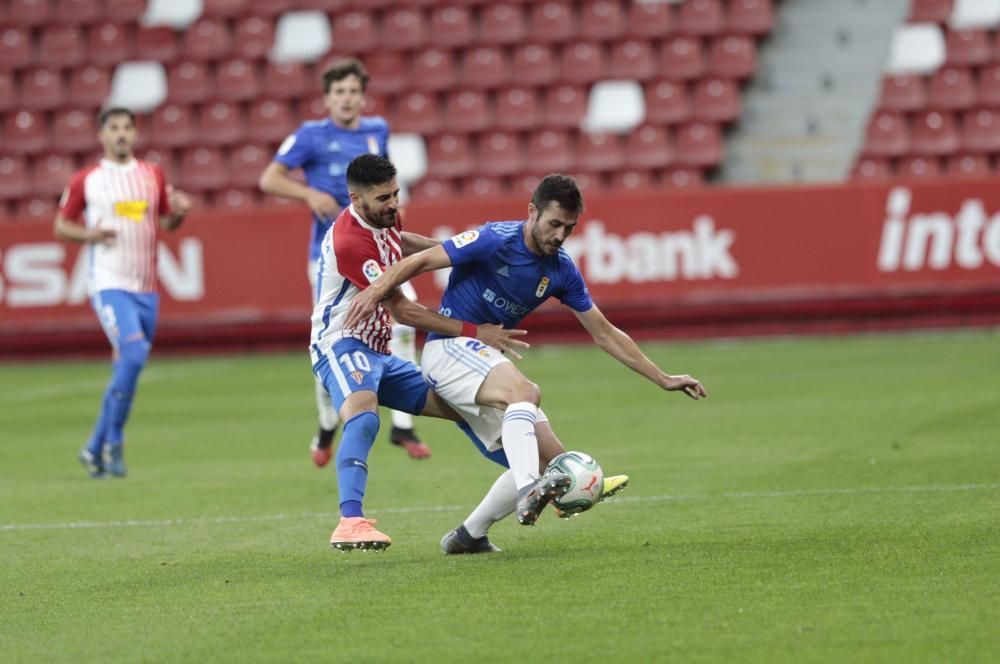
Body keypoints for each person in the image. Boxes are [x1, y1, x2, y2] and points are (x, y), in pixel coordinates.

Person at [345, 173, 708, 553]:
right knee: (526, 392)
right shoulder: (494, 239)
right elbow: (419, 261)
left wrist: (662, 377)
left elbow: (605, 333)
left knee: (550, 459)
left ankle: (469, 536)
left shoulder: (561, 270)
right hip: (448, 348)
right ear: (532, 212)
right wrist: (375, 291)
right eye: (554, 224)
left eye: (569, 228)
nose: (560, 235)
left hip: (483, 360)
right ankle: (527, 490)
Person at [312, 154, 534, 551]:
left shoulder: (384, 218)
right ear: (355, 199)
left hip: (378, 349)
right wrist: (476, 332)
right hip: (340, 342)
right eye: (383, 198)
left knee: (460, 404)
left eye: (395, 193)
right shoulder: (349, 241)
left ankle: (532, 477)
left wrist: (449, 253)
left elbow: (403, 243)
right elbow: (404, 310)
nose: (394, 204)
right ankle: (350, 521)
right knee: (363, 413)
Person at [259, 57, 432, 464]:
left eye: (354, 91)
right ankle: (326, 422)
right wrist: (308, 194)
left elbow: (383, 180)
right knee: (335, 339)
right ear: (327, 98)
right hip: (331, 256)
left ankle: (403, 426)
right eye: (339, 92)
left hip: (379, 247)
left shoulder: (377, 130)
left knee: (402, 322)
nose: (347, 99)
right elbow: (269, 179)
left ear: (362, 96)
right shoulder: (311, 136)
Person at [53, 107, 193, 479]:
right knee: (132, 356)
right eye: (114, 128)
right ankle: (114, 440)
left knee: (127, 368)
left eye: (127, 128)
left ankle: (92, 448)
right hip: (109, 283)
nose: (121, 134)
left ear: (135, 133)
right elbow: (62, 226)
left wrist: (179, 212)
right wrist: (91, 236)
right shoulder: (88, 179)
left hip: (146, 288)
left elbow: (167, 222)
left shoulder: (152, 174)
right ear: (102, 136)